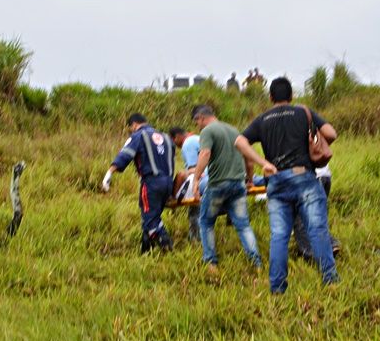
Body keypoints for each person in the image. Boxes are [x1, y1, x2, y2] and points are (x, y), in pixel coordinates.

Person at [234, 77, 339, 290]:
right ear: (291, 96)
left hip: (276, 180)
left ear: (271, 97)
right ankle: (330, 280)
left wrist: (263, 162)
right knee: (317, 229)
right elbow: (331, 133)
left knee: (280, 236)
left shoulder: (262, 119)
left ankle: (277, 287)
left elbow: (239, 141)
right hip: (304, 178)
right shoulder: (303, 112)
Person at [189, 105, 262, 270]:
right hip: (238, 184)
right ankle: (256, 263)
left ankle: (211, 263)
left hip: (218, 184)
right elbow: (248, 159)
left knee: (206, 222)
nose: (197, 125)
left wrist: (196, 179)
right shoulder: (233, 129)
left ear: (201, 118)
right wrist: (250, 180)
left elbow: (205, 154)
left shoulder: (207, 131)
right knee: (243, 225)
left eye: (197, 121)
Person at [102, 113, 175, 253]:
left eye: (131, 128)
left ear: (134, 124)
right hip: (168, 182)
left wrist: (109, 173)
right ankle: (145, 250)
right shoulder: (165, 137)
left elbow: (124, 155)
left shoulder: (138, 136)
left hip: (151, 183)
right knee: (151, 215)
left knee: (150, 220)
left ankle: (167, 246)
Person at [168, 126, 205, 241]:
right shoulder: (198, 138)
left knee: (195, 211)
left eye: (173, 140)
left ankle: (196, 239)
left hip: (204, 181)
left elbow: (195, 171)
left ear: (178, 137)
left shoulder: (188, 143)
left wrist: (174, 196)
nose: (175, 144)